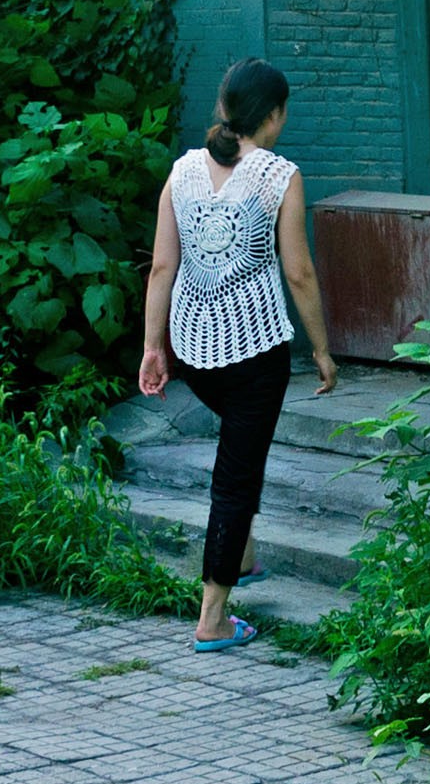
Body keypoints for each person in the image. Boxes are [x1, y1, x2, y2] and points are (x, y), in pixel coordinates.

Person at [138, 59, 336, 648]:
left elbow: (161, 268)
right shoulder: (280, 176)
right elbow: (298, 272)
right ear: (272, 115)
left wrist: (153, 348)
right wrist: (323, 350)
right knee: (236, 477)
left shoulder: (182, 172)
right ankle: (213, 618)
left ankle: (243, 557)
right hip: (255, 354)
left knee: (239, 454)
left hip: (194, 351)